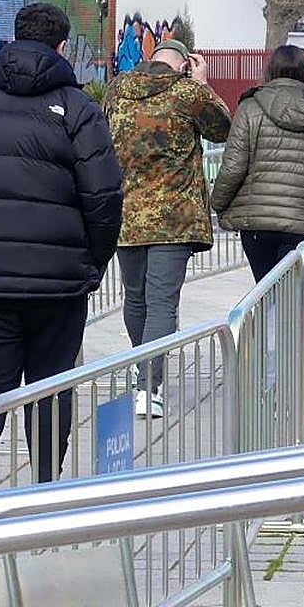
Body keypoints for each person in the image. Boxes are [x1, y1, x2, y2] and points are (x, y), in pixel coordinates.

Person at [0, 2, 123, 486]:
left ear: (14, 37)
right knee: (51, 386)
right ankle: (45, 483)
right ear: (62, 46)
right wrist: (90, 258)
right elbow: (104, 194)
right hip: (59, 280)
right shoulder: (78, 108)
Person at [106, 40, 230, 418]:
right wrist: (204, 82)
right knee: (162, 303)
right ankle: (149, 386)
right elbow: (222, 128)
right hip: (173, 219)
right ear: (183, 65)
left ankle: (143, 374)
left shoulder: (117, 90)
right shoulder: (188, 92)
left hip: (125, 215)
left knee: (136, 299)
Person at [210, 45, 304, 281]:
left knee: (265, 293)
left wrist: (218, 203)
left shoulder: (250, 107)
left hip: (256, 222)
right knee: (293, 296)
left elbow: (233, 166)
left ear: (270, 69)